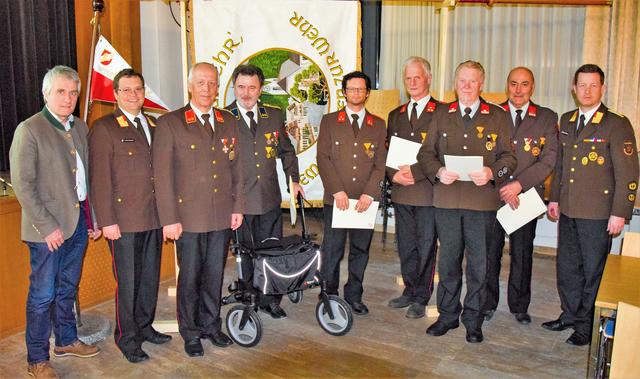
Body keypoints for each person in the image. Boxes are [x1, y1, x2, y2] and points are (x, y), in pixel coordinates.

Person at [9, 65, 101, 378]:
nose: (68, 98)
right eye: (61, 91)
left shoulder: (80, 128)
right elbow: (23, 185)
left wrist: (92, 217)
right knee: (42, 294)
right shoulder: (30, 129)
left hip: (77, 225)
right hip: (46, 230)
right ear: (46, 93)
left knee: (67, 287)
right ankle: (37, 358)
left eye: (73, 92)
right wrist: (47, 227)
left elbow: (86, 178)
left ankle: (66, 340)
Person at [416, 60, 517, 343]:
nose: (467, 87)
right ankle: (447, 315)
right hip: (447, 202)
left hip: (481, 205)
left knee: (479, 266)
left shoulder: (497, 116)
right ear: (455, 83)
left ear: (482, 83)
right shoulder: (441, 114)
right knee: (447, 263)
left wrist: (491, 172)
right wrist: (437, 171)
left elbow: (509, 158)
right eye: (462, 81)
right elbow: (425, 154)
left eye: (473, 81)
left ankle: (473, 319)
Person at [544, 64, 639, 346]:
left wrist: (620, 212)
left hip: (598, 214)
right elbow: (561, 165)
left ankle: (586, 325)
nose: (586, 91)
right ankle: (570, 315)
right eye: (581, 85)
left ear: (603, 89)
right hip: (569, 209)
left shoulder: (616, 123)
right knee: (568, 268)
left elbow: (628, 173)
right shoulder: (568, 119)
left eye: (593, 85)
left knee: (592, 271)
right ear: (574, 88)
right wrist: (555, 198)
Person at [153, 62, 243, 357]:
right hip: (187, 218)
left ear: (219, 88)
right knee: (190, 277)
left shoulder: (228, 120)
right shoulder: (171, 123)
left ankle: (210, 325)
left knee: (214, 274)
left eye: (213, 83)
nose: (207, 88)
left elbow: (236, 167)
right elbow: (162, 175)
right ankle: (190, 331)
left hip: (220, 215)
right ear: (190, 86)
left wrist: (237, 206)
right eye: (201, 83)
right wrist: (169, 219)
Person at [89, 69, 171, 363]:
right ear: (115, 95)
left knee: (149, 278)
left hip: (152, 216)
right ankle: (127, 337)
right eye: (126, 90)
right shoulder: (104, 128)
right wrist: (106, 220)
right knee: (128, 282)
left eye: (138, 89)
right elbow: (99, 179)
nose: (133, 95)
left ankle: (144, 326)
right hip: (123, 221)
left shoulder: (153, 123)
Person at [225, 64, 302, 320]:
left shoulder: (274, 115)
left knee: (271, 253)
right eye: (241, 87)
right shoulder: (223, 118)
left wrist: (295, 180)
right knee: (245, 254)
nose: (246, 93)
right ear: (234, 88)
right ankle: (248, 297)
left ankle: (270, 299)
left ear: (260, 90)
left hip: (268, 198)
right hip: (240, 202)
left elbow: (286, 151)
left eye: (252, 87)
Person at [483, 67, 558, 325]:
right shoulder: (492, 113)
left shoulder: (547, 118)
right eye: (513, 83)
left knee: (523, 254)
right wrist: (503, 184)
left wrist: (518, 186)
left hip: (526, 197)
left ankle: (519, 306)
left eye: (524, 84)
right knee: (489, 254)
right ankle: (487, 303)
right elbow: (486, 154)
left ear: (532, 87)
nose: (518, 89)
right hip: (493, 194)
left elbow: (548, 161)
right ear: (507, 85)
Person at [316, 71, 387, 316]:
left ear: (367, 93)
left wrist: (369, 194)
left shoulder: (378, 125)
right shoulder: (329, 121)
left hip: (364, 203)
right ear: (344, 92)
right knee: (332, 250)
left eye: (361, 89)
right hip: (337, 200)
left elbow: (380, 163)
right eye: (351, 89)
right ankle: (329, 295)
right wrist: (337, 190)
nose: (356, 93)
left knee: (360, 251)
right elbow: (323, 158)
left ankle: (354, 295)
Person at [385, 57, 441, 319]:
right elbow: (386, 152)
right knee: (406, 245)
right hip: (402, 190)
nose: (413, 82)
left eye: (418, 77)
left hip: (427, 190)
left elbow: (443, 152)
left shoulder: (442, 113)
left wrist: (416, 172)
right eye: (408, 78)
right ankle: (409, 289)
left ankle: (422, 295)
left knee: (426, 245)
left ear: (428, 78)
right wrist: (393, 175)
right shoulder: (395, 115)